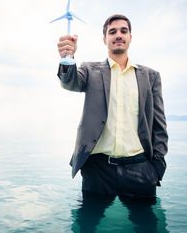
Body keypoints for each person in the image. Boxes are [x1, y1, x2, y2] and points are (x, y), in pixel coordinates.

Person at [56, 14, 168, 200]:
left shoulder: (151, 77)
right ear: (104, 39)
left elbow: (159, 125)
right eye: (112, 31)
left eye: (123, 31)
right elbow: (71, 83)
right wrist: (69, 58)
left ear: (130, 38)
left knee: (146, 228)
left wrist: (157, 167)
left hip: (140, 168)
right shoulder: (90, 70)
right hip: (97, 170)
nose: (118, 35)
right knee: (89, 227)